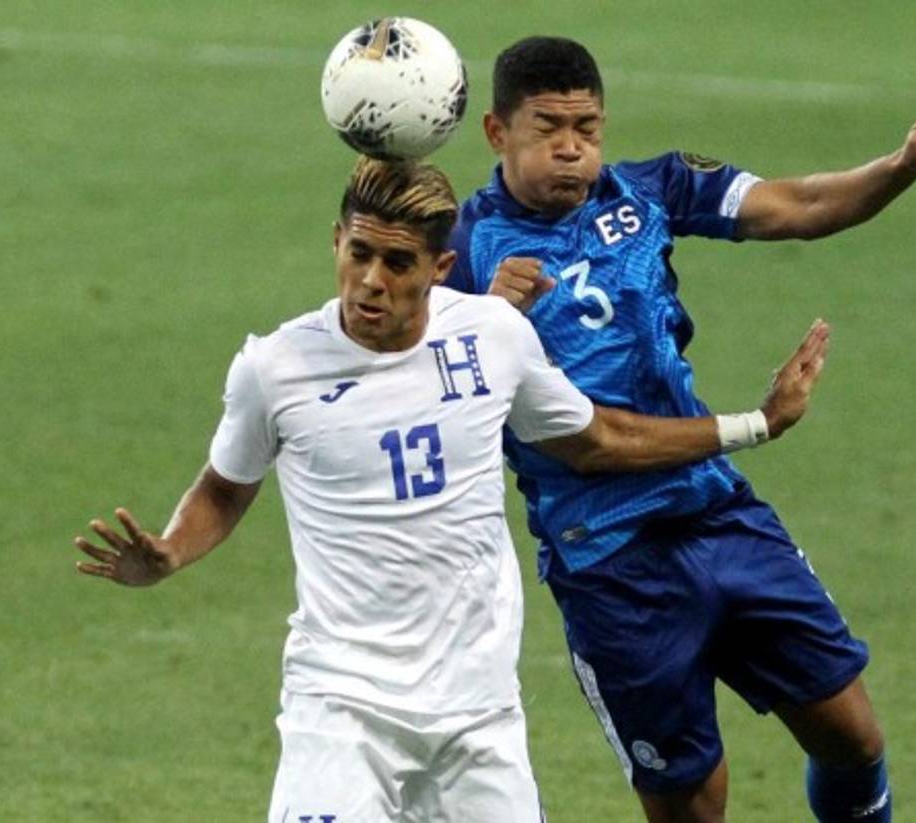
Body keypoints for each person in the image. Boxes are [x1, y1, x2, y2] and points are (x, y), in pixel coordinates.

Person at [72, 157, 831, 822]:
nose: (370, 281)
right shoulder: (274, 369)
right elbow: (224, 487)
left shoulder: (494, 337)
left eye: (398, 263)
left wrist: (754, 423)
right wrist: (169, 551)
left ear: (439, 268)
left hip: (477, 711)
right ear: (336, 242)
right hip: (343, 705)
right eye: (359, 252)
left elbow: (598, 439)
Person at [445, 36, 916, 823]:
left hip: (715, 512)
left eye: (587, 129)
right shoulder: (463, 255)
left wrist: (901, 165)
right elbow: (521, 417)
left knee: (853, 738)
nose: (571, 149)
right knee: (694, 807)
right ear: (497, 133)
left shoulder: (652, 189)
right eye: (547, 129)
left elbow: (796, 205)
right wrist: (484, 320)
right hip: (609, 564)